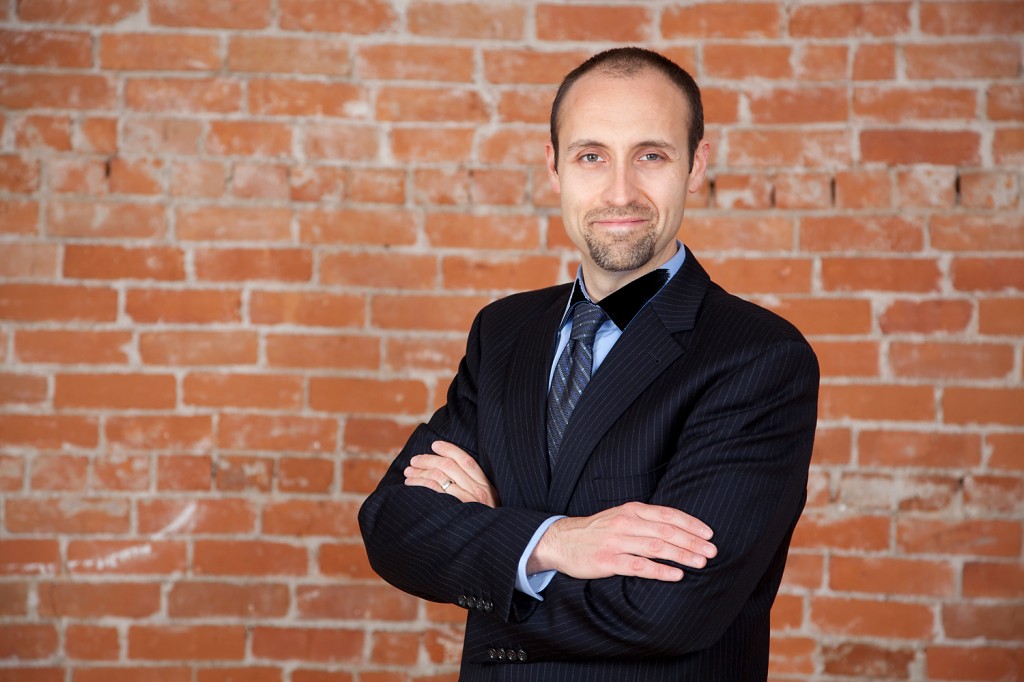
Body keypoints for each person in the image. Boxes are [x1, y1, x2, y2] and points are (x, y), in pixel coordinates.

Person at [358, 46, 819, 681]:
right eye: (591, 156)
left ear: (696, 165)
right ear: (554, 167)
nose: (620, 191)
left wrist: (495, 545)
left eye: (650, 155)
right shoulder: (505, 332)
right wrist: (553, 543)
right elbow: (393, 525)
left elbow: (665, 610)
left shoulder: (757, 356)